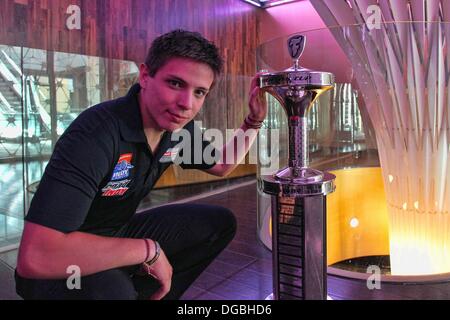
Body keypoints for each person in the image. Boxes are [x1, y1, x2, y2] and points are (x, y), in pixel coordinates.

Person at [15, 29, 267, 300]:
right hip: (58, 263)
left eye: (199, 92)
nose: (186, 104)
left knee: (218, 224)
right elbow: (36, 257)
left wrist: (253, 121)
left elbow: (221, 166)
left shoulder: (178, 130)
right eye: (175, 83)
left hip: (116, 233)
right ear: (145, 76)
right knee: (115, 290)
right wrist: (148, 250)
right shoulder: (96, 134)